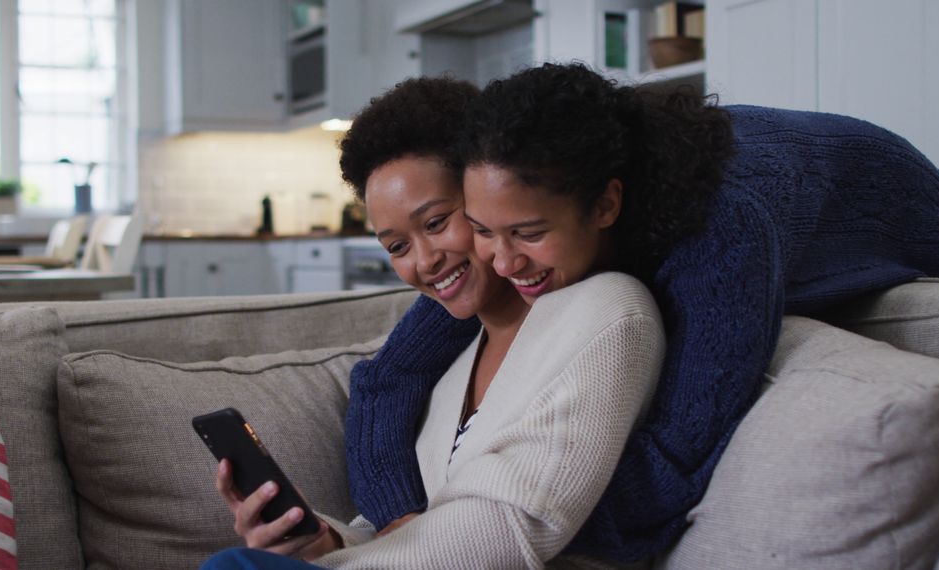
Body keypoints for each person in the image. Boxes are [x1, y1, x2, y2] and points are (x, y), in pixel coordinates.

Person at [345, 63, 939, 564]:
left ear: (606, 204)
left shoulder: (720, 235)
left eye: (524, 233)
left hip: (899, 205)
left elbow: (674, 460)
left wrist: (478, 534)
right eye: (480, 229)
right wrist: (404, 523)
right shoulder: (509, 231)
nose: (500, 262)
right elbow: (387, 378)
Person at [202, 76, 666, 569]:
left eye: (437, 222)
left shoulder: (606, 312)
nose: (424, 261)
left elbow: (513, 525)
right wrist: (322, 546)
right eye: (397, 246)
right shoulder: (452, 367)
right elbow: (418, 533)